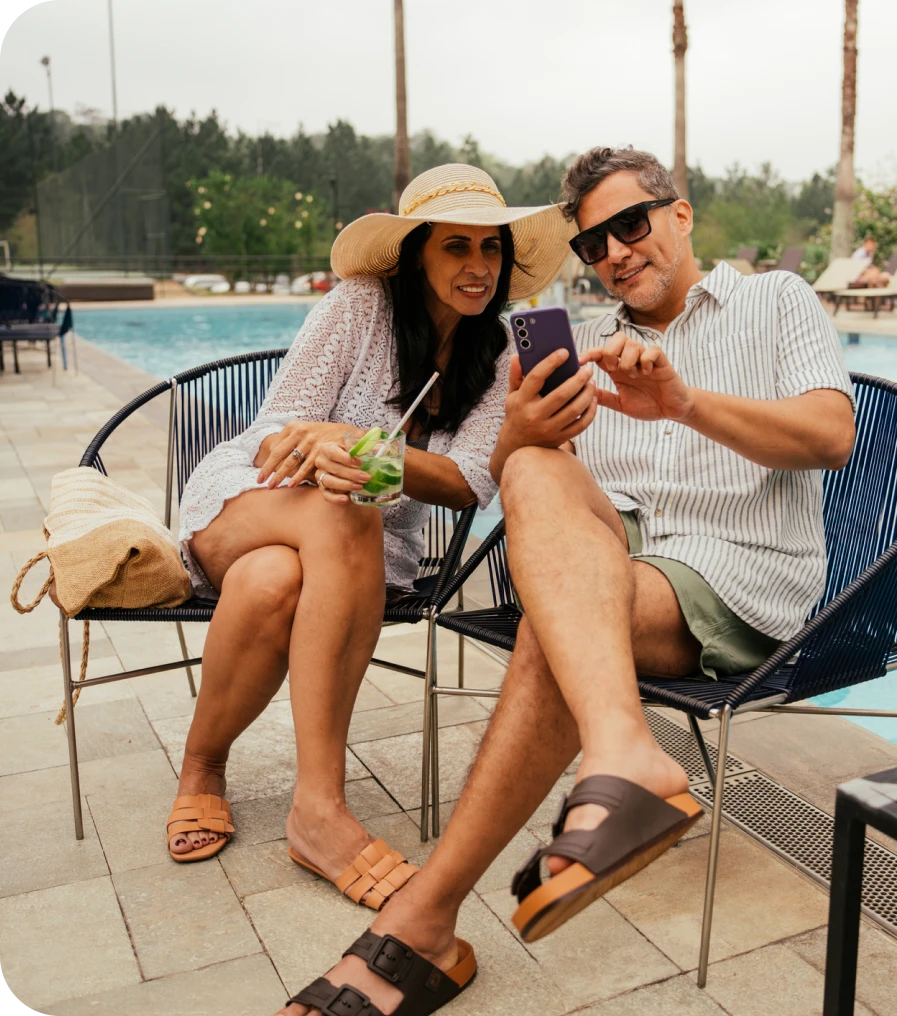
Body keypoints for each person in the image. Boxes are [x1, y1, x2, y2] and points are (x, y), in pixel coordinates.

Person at [276, 147, 855, 1016]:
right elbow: (502, 488)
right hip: (610, 565)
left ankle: (422, 921)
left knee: (559, 627)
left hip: (734, 577)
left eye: (632, 224)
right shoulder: (579, 347)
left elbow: (830, 436)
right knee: (538, 474)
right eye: (593, 245)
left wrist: (684, 404)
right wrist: (516, 429)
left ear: (680, 214)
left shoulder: (776, 300)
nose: (617, 252)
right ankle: (623, 755)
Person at [165, 165, 584, 915]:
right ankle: (318, 808)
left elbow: (466, 486)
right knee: (342, 508)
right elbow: (274, 431)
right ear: (416, 251)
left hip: (361, 553)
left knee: (272, 582)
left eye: (492, 250)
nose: (479, 267)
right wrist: (325, 456)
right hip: (254, 499)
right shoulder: (360, 306)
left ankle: (201, 770)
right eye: (457, 247)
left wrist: (361, 450)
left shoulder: (493, 360)